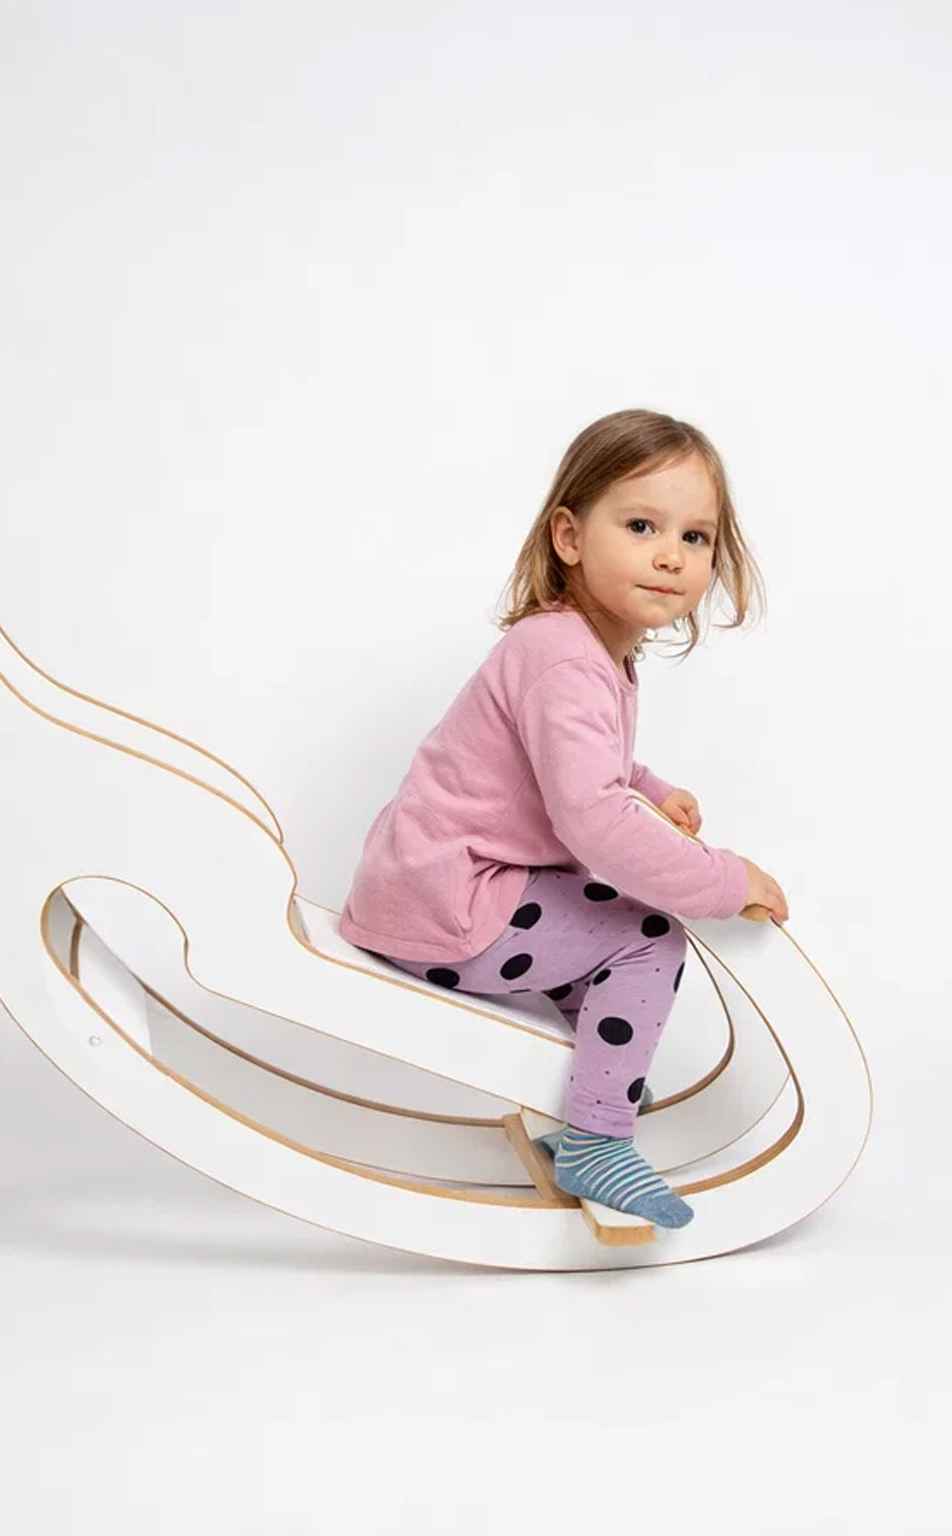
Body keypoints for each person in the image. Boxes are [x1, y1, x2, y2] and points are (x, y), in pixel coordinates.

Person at [337, 407, 789, 1231]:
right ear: (570, 537)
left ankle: (597, 1091)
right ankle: (598, 1136)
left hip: (432, 883)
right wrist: (725, 881)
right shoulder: (566, 659)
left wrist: (647, 783)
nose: (670, 554)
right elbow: (594, 823)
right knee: (647, 936)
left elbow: (565, 761)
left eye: (695, 537)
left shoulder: (579, 648)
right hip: (450, 903)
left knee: (602, 935)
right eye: (642, 526)